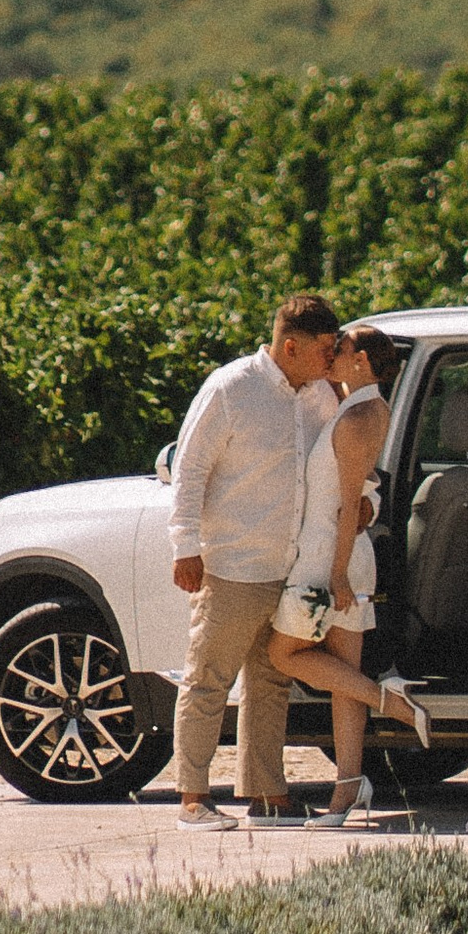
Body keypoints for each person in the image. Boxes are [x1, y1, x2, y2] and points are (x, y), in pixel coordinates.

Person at [167, 293, 343, 820]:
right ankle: (193, 798)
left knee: (271, 682)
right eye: (325, 350)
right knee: (208, 679)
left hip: (288, 568)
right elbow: (190, 469)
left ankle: (268, 795)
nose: (331, 360)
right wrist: (186, 547)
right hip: (231, 566)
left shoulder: (319, 396)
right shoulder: (230, 389)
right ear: (291, 346)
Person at [266, 323, 428, 823]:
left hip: (331, 557)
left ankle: (392, 702)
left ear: (361, 362)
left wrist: (336, 574)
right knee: (342, 677)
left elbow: (348, 504)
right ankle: (349, 788)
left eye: (342, 349)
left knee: (283, 653)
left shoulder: (360, 416)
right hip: (332, 553)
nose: (332, 354)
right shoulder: (354, 404)